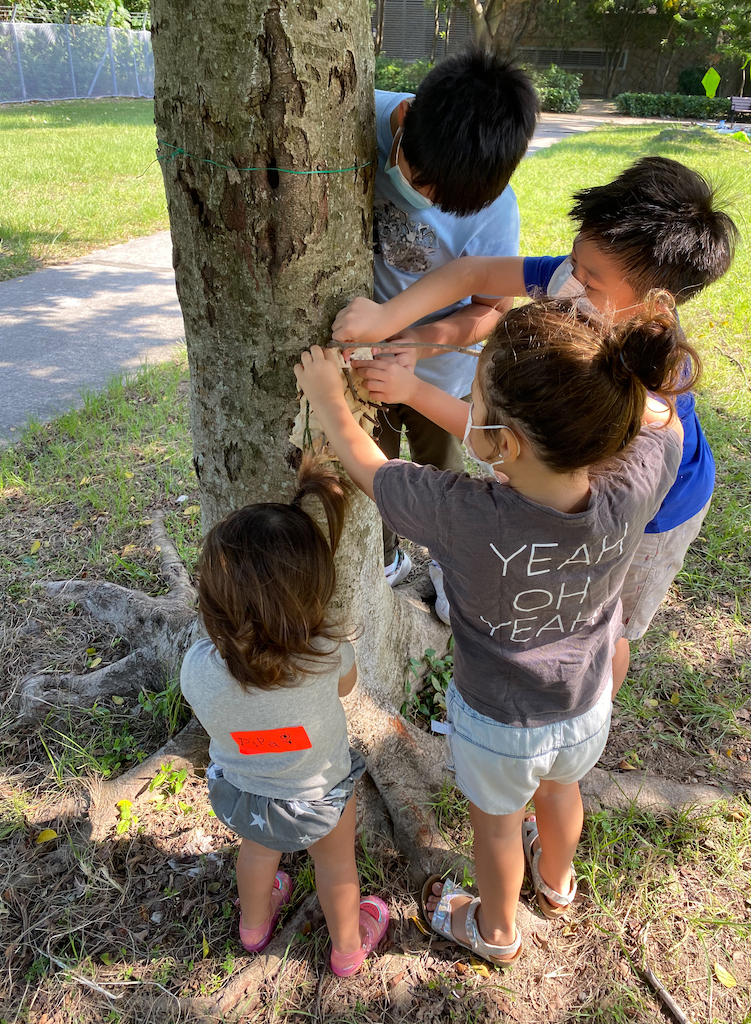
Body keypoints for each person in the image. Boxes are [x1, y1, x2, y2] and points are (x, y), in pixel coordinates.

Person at [296, 296, 691, 966]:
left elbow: (368, 469)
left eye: (473, 398)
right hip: (586, 705)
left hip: (497, 726)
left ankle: (497, 930)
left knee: (499, 828)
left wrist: (328, 396)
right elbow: (665, 421)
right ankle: (558, 886)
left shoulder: (462, 515)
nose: (467, 406)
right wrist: (616, 372)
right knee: (561, 791)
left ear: (503, 445)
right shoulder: (634, 484)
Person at [337, 157, 737, 667]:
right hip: (583, 487)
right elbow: (474, 272)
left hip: (655, 516)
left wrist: (412, 391)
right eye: (573, 257)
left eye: (591, 279)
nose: (569, 279)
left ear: (655, 305)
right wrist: (390, 320)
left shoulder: (640, 386)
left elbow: (514, 447)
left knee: (607, 628)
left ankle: (597, 698)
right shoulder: (584, 284)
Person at [179, 458, 388, 976]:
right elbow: (348, 687)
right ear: (313, 594)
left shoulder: (197, 668)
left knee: (256, 855)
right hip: (320, 796)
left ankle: (253, 927)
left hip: (245, 793)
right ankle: (347, 949)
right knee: (335, 865)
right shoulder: (326, 655)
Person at [371, 48, 539, 587]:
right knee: (372, 473)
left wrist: (420, 341)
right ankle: (384, 556)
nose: (423, 199)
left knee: (441, 477)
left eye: (445, 203)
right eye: (421, 182)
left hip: (440, 374)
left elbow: (491, 310)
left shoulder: (496, 211)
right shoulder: (359, 116)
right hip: (364, 367)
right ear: (404, 120)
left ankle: (447, 565)